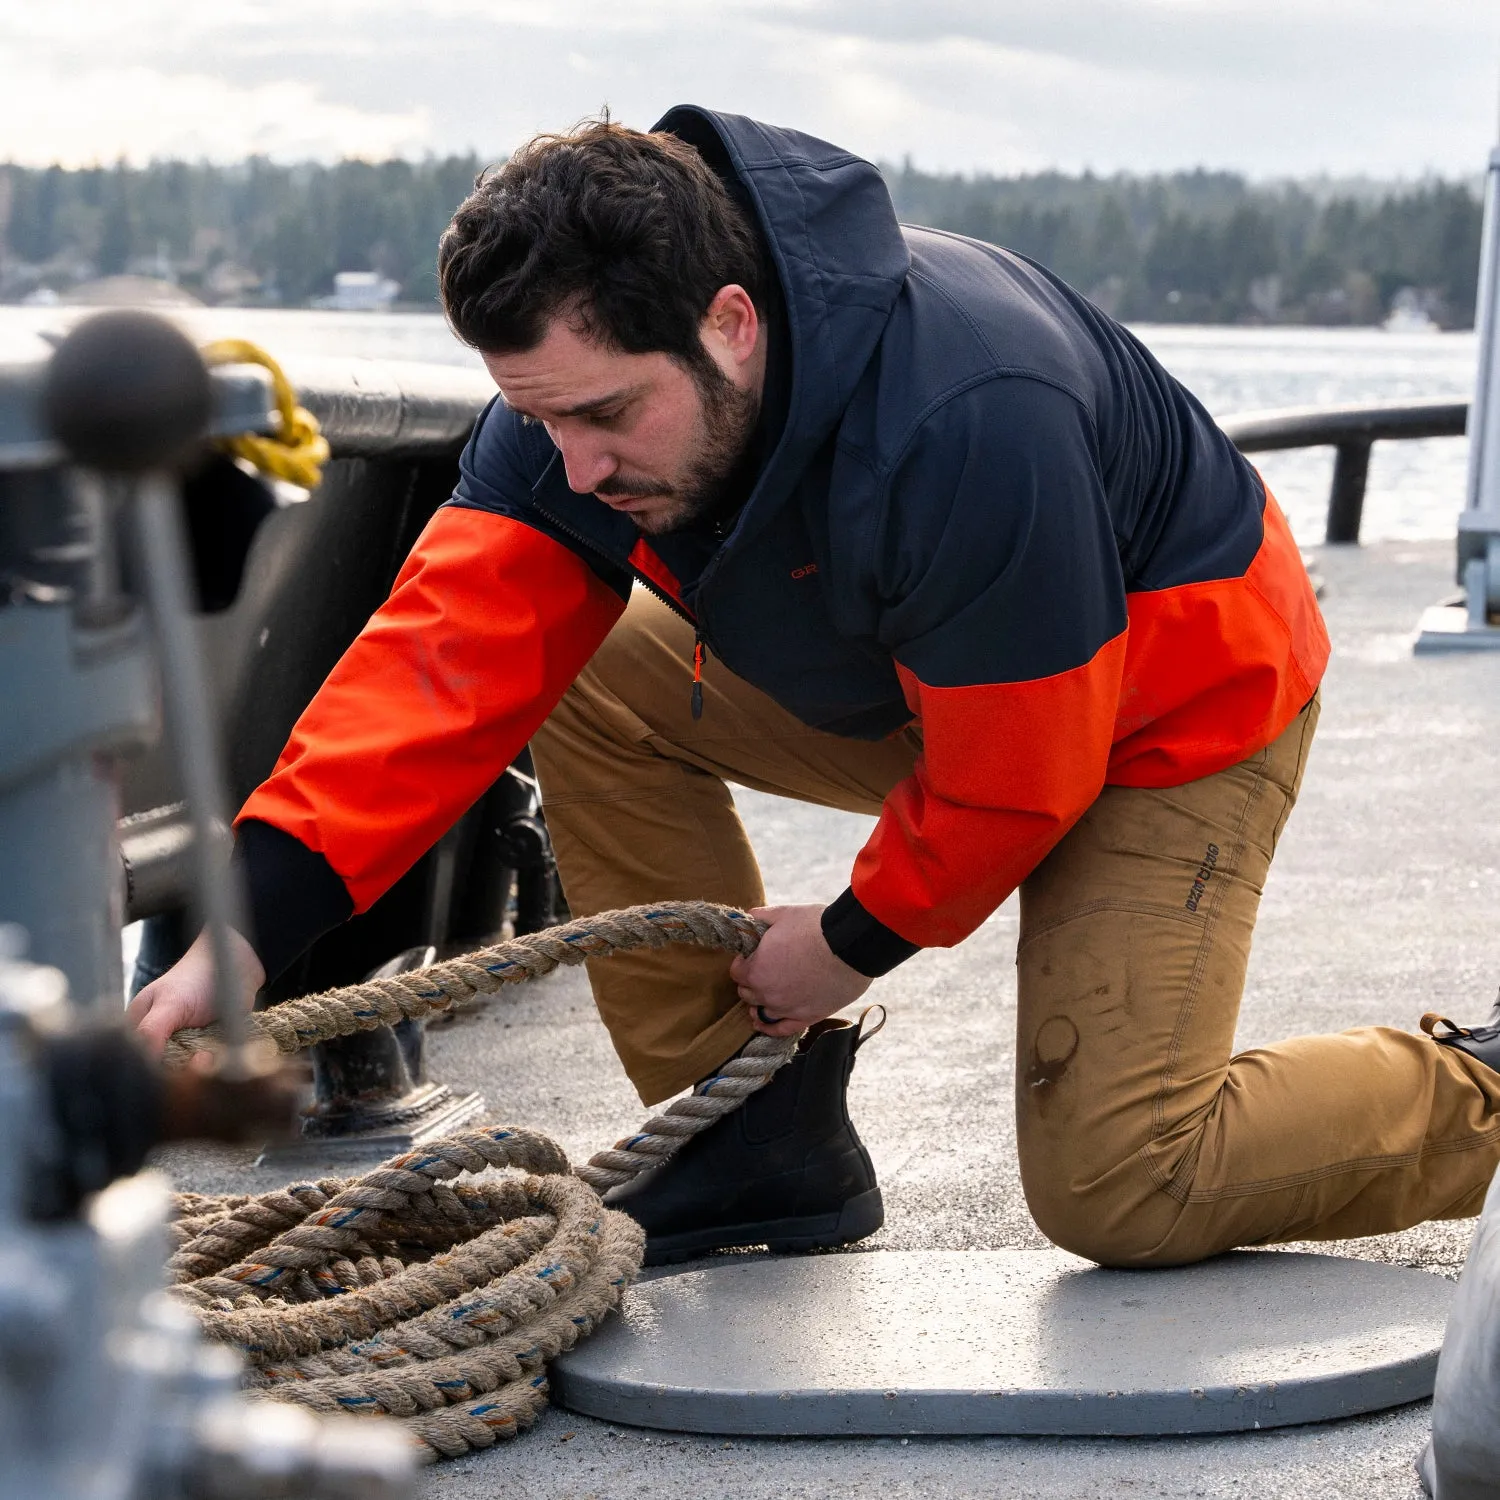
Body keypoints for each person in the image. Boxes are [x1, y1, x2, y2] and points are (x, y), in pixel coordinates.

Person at [128, 107, 1500, 1267]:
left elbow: (1022, 770)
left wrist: (842, 942)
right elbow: (439, 669)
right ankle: (748, 1136)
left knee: (1121, 1184)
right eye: (540, 417)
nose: (576, 463)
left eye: (607, 415)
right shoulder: (581, 413)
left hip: (1165, 712)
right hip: (916, 689)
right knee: (584, 668)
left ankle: (1482, 1089)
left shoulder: (971, 415)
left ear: (731, 325)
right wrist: (243, 933)